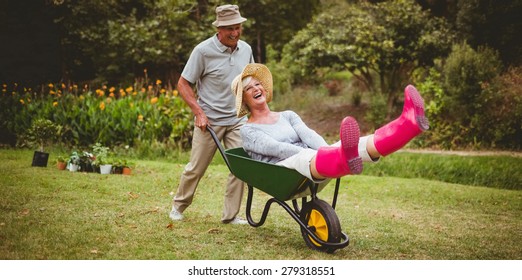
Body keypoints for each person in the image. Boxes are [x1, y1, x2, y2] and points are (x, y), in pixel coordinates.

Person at [231, 63, 429, 181]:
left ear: (265, 90)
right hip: (282, 170)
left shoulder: (288, 115)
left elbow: (309, 135)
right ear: (245, 100)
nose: (257, 88)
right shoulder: (248, 131)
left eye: (258, 84)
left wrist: (327, 149)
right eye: (249, 88)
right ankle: (338, 158)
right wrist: (322, 154)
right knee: (310, 156)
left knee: (358, 143)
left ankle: (408, 125)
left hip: (313, 161)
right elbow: (277, 149)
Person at [169, 4, 254, 224]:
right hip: (210, 120)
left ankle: (230, 215)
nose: (235, 33)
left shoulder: (246, 49)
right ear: (219, 29)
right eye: (230, 29)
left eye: (238, 28)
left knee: (240, 167)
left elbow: (250, 81)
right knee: (196, 168)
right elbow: (183, 83)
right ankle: (178, 206)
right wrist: (199, 112)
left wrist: (254, 111)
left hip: (237, 119)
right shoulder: (203, 51)